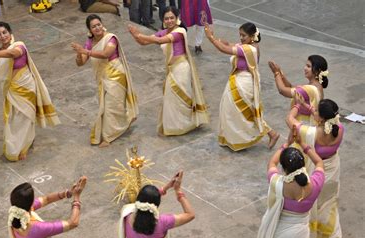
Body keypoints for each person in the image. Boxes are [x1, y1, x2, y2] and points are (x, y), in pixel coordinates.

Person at [0, 21, 61, 161]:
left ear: (10, 33)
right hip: (11, 91)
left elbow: (13, 53)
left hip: (26, 88)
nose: (2, 36)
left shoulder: (19, 45)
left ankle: (24, 146)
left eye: (4, 32)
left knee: (25, 118)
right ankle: (19, 145)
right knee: (14, 119)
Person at [128, 7, 209, 136]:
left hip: (181, 68)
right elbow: (143, 42)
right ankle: (178, 125)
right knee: (172, 98)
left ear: (177, 18)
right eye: (166, 18)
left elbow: (160, 41)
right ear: (163, 20)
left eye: (172, 17)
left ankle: (185, 124)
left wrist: (140, 34)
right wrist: (135, 35)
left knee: (179, 97)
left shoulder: (180, 31)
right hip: (172, 69)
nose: (169, 20)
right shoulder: (164, 31)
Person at [204, 22, 279, 151]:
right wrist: (214, 36)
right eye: (240, 35)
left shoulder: (250, 49)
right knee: (240, 111)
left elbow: (224, 49)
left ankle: (268, 134)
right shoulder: (247, 45)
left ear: (251, 36)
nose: (241, 38)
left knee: (242, 112)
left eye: (243, 35)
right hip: (239, 80)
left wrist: (210, 38)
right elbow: (227, 44)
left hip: (244, 83)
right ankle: (271, 133)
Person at [252, 133, 325, 238]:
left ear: (284, 168)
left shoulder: (277, 183)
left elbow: (271, 164)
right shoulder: (316, 183)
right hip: (299, 236)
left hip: (278, 234)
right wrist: (303, 144)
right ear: (303, 164)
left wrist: (286, 144)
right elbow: (319, 162)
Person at [71, 15, 138, 147]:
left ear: (102, 24)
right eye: (94, 26)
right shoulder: (90, 42)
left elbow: (106, 54)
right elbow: (81, 63)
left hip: (116, 75)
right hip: (103, 78)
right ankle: (122, 123)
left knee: (111, 106)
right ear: (89, 29)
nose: (97, 28)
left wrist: (85, 51)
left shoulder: (111, 38)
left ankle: (108, 137)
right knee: (109, 106)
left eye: (98, 24)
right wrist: (79, 53)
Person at [286, 99, 343, 238]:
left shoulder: (312, 133)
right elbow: (323, 120)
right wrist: (309, 107)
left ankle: (313, 236)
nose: (315, 113)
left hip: (318, 171)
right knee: (329, 204)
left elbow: (290, 121)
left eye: (317, 111)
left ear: (322, 118)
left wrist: (297, 106)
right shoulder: (339, 128)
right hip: (333, 170)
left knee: (314, 204)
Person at [118, 171, 195, 238]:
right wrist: (178, 190)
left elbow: (145, 202)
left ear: (138, 199)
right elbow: (190, 214)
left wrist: (166, 188)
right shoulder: (164, 221)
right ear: (157, 204)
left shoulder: (126, 213)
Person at [8, 176, 87, 238]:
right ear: (31, 203)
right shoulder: (39, 228)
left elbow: (46, 199)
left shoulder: (14, 214)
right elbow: (73, 223)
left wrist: (68, 193)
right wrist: (76, 197)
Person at [269, 55, 328, 124]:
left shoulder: (310, 88)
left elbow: (282, 90)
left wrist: (276, 73)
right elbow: (291, 87)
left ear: (317, 71)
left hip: (305, 127)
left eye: (308, 66)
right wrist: (280, 73)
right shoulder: (317, 85)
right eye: (306, 65)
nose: (305, 68)